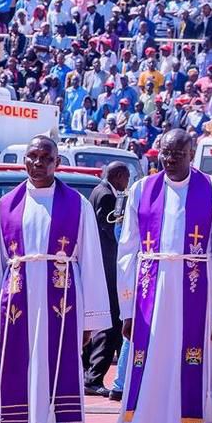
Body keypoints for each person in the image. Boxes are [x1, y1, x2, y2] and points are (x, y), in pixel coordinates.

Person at [0, 135, 111, 423]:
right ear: (24, 161)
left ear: (57, 162)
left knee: (56, 381)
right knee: (18, 381)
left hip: (61, 308)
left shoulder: (77, 205)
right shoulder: (6, 205)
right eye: (31, 157)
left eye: (45, 158)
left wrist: (90, 321)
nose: (37, 163)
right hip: (17, 308)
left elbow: (91, 261)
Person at [111, 129, 212, 423]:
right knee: (148, 374)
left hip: (195, 299)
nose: (170, 160)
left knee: (191, 378)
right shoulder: (142, 190)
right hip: (150, 298)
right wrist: (127, 309)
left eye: (177, 153)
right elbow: (128, 251)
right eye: (165, 153)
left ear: (191, 153)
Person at [83, 162, 131, 397]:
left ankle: (91, 373)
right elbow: (109, 231)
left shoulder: (98, 191)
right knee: (110, 322)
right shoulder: (105, 196)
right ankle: (93, 377)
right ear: (119, 176)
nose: (127, 183)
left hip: (103, 266)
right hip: (107, 267)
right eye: (127, 178)